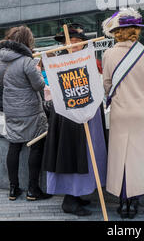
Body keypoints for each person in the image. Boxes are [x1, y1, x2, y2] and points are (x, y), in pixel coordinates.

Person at [42, 24, 107, 217]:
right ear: (63, 44)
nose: (74, 45)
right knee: (71, 154)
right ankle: (69, 198)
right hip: (67, 116)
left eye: (78, 41)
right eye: (70, 41)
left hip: (89, 112)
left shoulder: (89, 60)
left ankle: (78, 193)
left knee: (87, 153)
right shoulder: (58, 63)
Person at [102, 8, 144, 219]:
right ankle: (133, 204)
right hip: (141, 113)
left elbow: (107, 85)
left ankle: (121, 201)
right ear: (136, 30)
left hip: (119, 112)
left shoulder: (108, 54)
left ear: (117, 31)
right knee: (138, 158)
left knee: (120, 157)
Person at [0, 26, 50, 201]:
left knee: (14, 146)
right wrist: (38, 73)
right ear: (27, 41)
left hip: (11, 111)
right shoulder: (27, 61)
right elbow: (39, 86)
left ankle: (13, 189)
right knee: (36, 146)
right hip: (31, 112)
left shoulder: (1, 59)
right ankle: (32, 190)